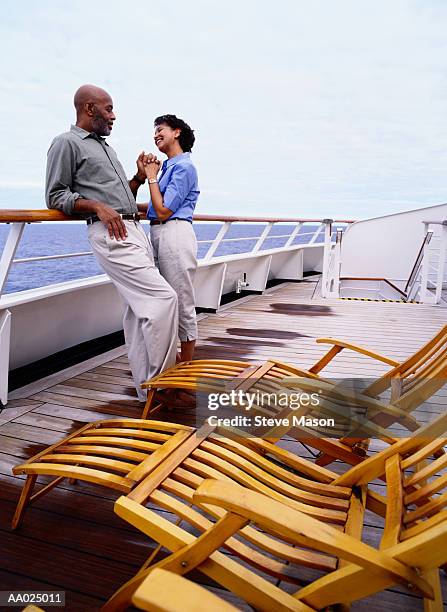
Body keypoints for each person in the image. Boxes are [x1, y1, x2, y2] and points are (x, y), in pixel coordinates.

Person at [45, 84, 178, 402]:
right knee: (164, 300)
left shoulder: (105, 147)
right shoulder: (66, 143)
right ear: (88, 108)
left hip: (133, 230)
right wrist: (96, 206)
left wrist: (135, 178)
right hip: (112, 234)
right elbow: (55, 195)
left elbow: (124, 197)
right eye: (108, 109)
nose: (113, 116)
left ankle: (147, 389)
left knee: (136, 313)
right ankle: (164, 387)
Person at [140, 115, 200, 362]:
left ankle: (184, 374)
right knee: (163, 300)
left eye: (160, 129)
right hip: (159, 232)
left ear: (176, 132)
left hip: (174, 233)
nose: (155, 135)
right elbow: (156, 207)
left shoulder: (184, 167)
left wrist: (151, 176)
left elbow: (164, 209)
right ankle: (172, 363)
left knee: (182, 302)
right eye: (154, 131)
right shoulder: (169, 167)